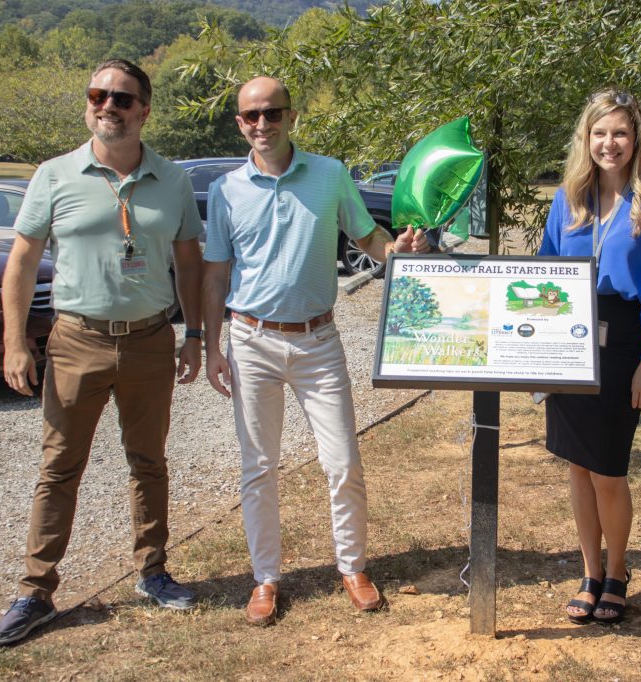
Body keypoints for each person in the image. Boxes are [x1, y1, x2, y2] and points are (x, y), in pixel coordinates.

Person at [0, 59, 204, 648]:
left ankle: (153, 573)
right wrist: (14, 342)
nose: (108, 104)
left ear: (145, 109)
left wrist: (197, 336)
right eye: (98, 94)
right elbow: (22, 262)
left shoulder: (174, 180)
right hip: (76, 341)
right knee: (59, 469)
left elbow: (188, 264)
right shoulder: (54, 174)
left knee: (149, 463)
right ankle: (35, 592)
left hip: (151, 340)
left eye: (123, 98)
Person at [202, 76, 429, 626]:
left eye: (272, 113)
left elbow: (367, 238)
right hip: (251, 340)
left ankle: (352, 567)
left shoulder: (329, 175)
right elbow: (215, 273)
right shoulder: (226, 190)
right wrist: (211, 344)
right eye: (251, 115)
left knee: (343, 462)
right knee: (258, 466)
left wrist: (394, 249)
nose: (262, 123)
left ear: (291, 116)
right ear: (239, 122)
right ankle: (265, 578)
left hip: (318, 341)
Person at [538, 89, 641, 625]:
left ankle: (618, 571)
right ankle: (590, 571)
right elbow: (544, 275)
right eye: (600, 133)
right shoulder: (566, 201)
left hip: (625, 341)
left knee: (608, 469)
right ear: (586, 139)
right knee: (577, 466)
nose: (609, 143)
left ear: (636, 139)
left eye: (620, 132)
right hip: (566, 338)